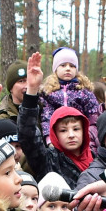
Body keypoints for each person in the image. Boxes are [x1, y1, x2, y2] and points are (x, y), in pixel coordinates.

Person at [19, 51, 94, 188]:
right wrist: (32, 90)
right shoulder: (48, 160)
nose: (71, 135)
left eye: (76, 128)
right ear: (55, 133)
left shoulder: (96, 158)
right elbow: (27, 135)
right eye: (63, 130)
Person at [39, 46, 101, 143]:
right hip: (57, 138)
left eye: (72, 66)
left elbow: (94, 117)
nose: (68, 69)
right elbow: (46, 117)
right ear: (55, 69)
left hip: (81, 138)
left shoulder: (84, 91)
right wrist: (49, 139)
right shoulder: (48, 93)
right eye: (63, 65)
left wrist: (90, 138)